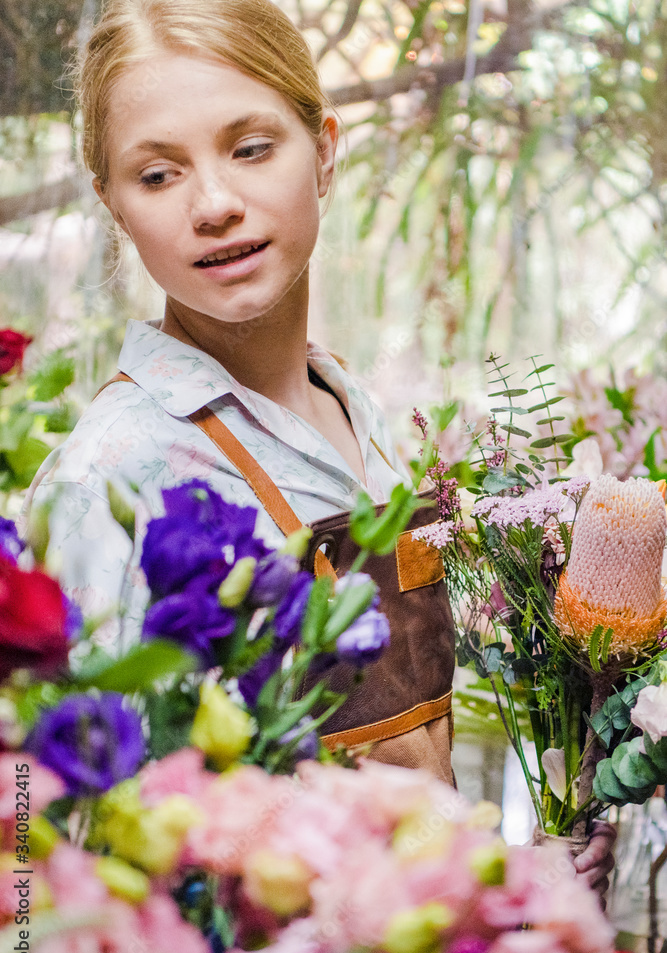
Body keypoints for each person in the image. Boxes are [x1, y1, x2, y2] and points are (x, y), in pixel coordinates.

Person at [23, 0, 614, 896]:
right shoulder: (107, 476)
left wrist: (507, 872)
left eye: (251, 148)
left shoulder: (357, 410)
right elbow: (63, 863)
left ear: (326, 151)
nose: (215, 205)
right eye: (156, 174)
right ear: (112, 203)